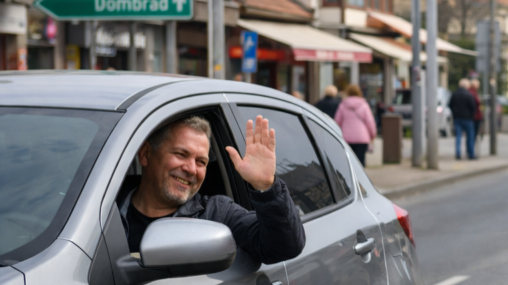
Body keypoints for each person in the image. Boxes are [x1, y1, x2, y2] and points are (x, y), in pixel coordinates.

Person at [122, 114, 304, 264]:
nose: (191, 169)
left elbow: (284, 247)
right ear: (146, 154)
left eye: (201, 162)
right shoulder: (102, 205)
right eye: (180, 154)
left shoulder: (217, 214)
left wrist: (265, 186)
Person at [334, 84, 377, 167]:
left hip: (346, 138)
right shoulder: (364, 105)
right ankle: (360, 180)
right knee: (360, 163)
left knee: (348, 164)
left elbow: (337, 122)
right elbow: (370, 122)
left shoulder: (343, 105)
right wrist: (373, 135)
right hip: (362, 138)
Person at [449, 78, 477, 160]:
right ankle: (471, 154)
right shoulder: (469, 95)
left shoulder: (454, 94)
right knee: (470, 137)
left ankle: (458, 153)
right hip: (467, 119)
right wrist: (471, 116)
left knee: (458, 136)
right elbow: (473, 107)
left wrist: (455, 113)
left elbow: (450, 105)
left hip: (457, 118)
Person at [469, 78, 484, 144]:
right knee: (473, 134)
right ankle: (471, 151)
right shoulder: (472, 93)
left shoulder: (474, 93)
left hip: (476, 116)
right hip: (475, 116)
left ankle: (471, 150)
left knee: (473, 135)